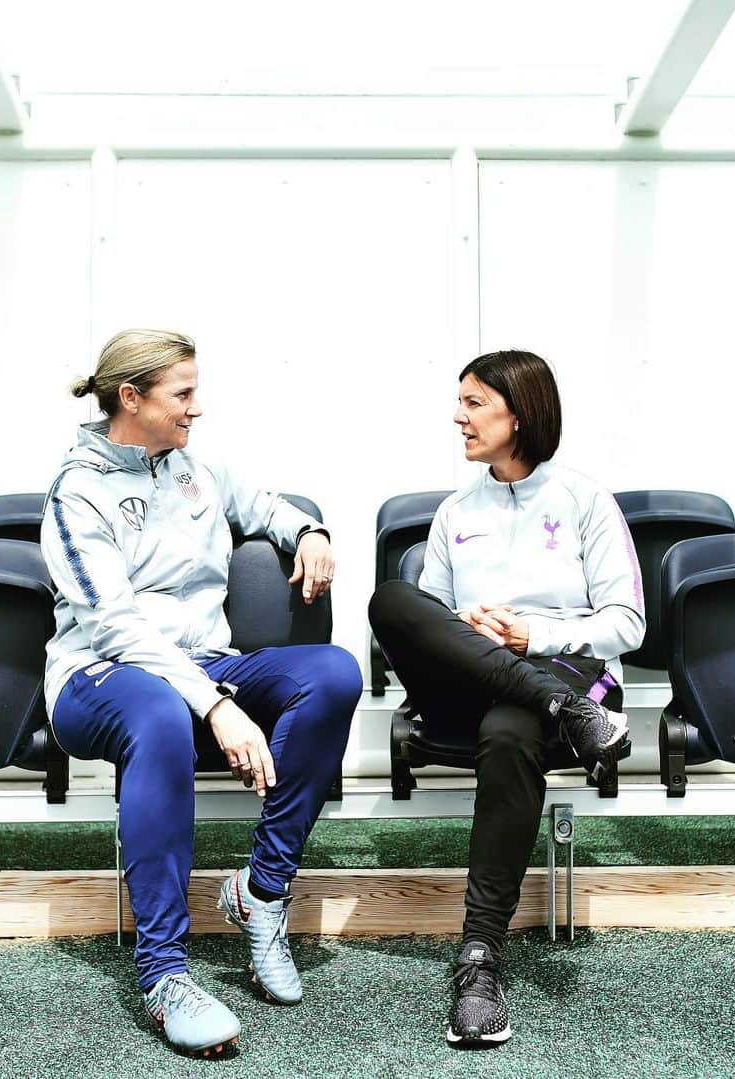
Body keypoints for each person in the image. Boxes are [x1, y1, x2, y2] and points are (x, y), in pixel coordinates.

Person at [41, 329, 361, 1057]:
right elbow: (118, 629)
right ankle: (164, 974)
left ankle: (263, 892)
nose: (197, 408)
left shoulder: (195, 470)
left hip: (204, 663)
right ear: (133, 397)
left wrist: (310, 530)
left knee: (334, 672)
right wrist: (216, 705)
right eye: (183, 393)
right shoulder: (77, 491)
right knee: (157, 710)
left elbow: (267, 507)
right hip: (99, 678)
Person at [368, 349, 644, 1047]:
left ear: (518, 415)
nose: (458, 416)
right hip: (479, 680)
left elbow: (627, 623)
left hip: (557, 671)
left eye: (474, 403)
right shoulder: (455, 512)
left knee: (510, 727)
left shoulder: (586, 501)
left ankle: (479, 957)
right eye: (460, 402)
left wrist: (533, 633)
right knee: (394, 600)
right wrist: (467, 629)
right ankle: (562, 709)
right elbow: (428, 623)